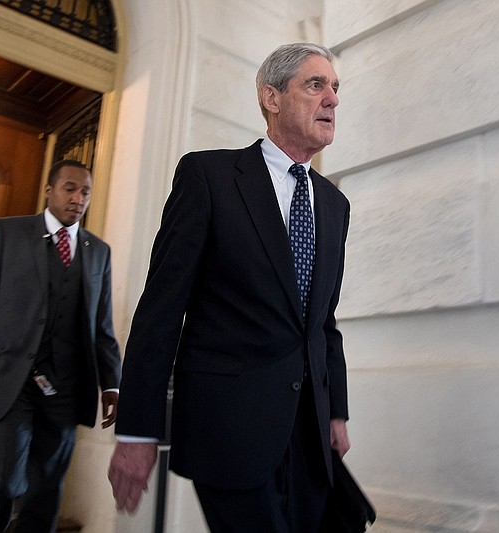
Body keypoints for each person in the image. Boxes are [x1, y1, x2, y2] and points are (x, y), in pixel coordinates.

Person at [108, 42, 351, 532]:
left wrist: (336, 411)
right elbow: (160, 308)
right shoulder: (209, 177)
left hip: (308, 433)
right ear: (271, 96)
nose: (332, 99)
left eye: (335, 87)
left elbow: (322, 322)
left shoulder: (334, 204)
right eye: (315, 84)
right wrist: (137, 431)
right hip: (228, 429)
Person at [0, 159, 122, 533]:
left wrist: (113, 383)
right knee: (2, 480)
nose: (78, 198)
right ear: (49, 190)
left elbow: (101, 329)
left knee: (47, 489)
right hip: (9, 383)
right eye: (69, 188)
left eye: (85, 191)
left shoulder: (98, 251)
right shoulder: (7, 234)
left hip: (66, 390)